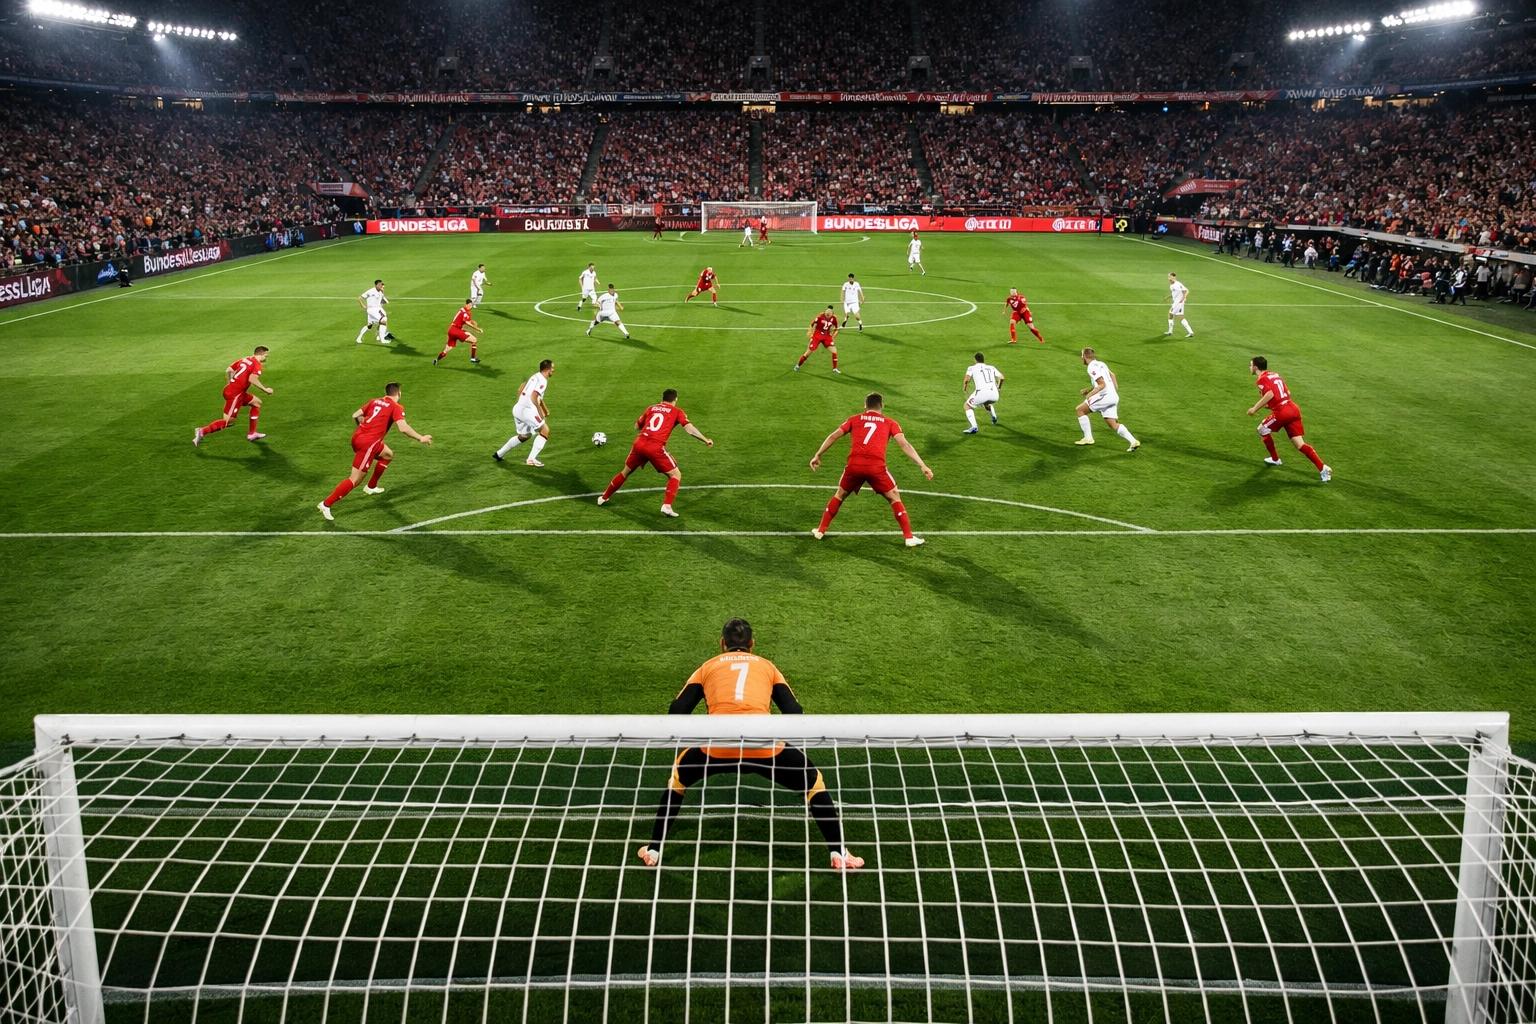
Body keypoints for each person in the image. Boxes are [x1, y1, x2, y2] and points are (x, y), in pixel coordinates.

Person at [635, 618, 864, 872]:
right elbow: (794, 712)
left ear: (722, 644)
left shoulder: (707, 667)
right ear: (752, 644)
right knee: (813, 783)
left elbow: (677, 711)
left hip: (716, 746)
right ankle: (839, 853)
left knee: (679, 778)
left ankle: (653, 849)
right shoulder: (767, 667)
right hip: (764, 746)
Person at [809, 392, 933, 548]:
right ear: (881, 406)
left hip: (854, 465)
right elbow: (904, 445)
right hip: (876, 467)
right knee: (894, 497)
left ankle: (820, 530)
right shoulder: (890, 422)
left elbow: (834, 436)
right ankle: (908, 537)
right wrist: (923, 465)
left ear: (865, 405)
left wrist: (817, 454)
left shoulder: (854, 419)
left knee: (840, 495)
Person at [317, 382, 432, 520]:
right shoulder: (396, 407)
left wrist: (363, 428)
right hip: (368, 444)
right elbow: (403, 428)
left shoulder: (375, 401)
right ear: (399, 393)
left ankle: (371, 486)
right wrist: (421, 438)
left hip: (357, 437)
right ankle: (326, 504)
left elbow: (356, 415)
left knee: (387, 455)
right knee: (355, 479)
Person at [598, 388, 713, 517]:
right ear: (675, 399)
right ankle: (667, 506)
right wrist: (705, 439)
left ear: (662, 398)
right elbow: (689, 429)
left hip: (639, 443)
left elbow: (636, 426)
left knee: (625, 472)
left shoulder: (651, 408)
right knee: (675, 475)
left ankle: (604, 497)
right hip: (655, 447)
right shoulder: (677, 411)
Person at [1247, 356, 1330, 482]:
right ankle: (1323, 468)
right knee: (1300, 444)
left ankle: (1275, 459)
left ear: (1256, 367)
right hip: (1293, 408)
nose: (1250, 367)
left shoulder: (1261, 380)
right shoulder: (1274, 375)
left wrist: (1255, 408)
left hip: (1283, 412)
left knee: (1262, 429)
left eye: (1250, 365)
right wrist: (1270, 405)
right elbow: (1287, 392)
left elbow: (1270, 394)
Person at [194, 346, 272, 446]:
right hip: (235, 395)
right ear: (261, 353)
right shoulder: (257, 365)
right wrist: (265, 390)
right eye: (266, 354)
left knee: (257, 403)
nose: (267, 357)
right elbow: (252, 379)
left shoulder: (245, 359)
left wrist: (229, 381)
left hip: (234, 391)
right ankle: (201, 431)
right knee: (229, 422)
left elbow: (229, 369)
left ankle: (252, 434)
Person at [1075, 348, 1140, 452]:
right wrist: (1089, 390)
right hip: (1113, 396)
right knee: (1112, 424)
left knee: (1080, 410)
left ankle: (1088, 438)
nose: (1081, 358)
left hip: (1104, 396)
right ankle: (1133, 441)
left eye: (1081, 356)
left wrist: (1090, 395)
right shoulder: (1101, 364)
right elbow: (1112, 376)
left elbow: (1102, 384)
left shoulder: (1091, 367)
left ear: (1084, 356)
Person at [494, 359, 554, 467]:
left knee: (525, 435)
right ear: (548, 369)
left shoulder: (534, 376)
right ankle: (531, 459)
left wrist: (544, 409)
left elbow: (521, 389)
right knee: (545, 430)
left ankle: (499, 454)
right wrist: (540, 413)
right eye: (552, 368)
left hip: (518, 409)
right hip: (527, 411)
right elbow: (534, 396)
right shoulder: (543, 381)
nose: (553, 370)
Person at [961, 353, 1004, 434]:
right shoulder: (991, 367)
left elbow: (967, 379)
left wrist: (965, 387)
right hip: (995, 395)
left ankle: (974, 427)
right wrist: (998, 387)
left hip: (982, 393)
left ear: (975, 360)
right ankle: (993, 413)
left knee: (967, 406)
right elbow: (1002, 378)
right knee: (985, 402)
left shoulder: (972, 368)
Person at [795, 305, 841, 373]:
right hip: (817, 335)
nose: (827, 314)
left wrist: (832, 337)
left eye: (829, 313)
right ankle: (798, 365)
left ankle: (834, 368)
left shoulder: (834, 318)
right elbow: (812, 324)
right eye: (826, 312)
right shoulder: (820, 317)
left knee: (834, 351)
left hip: (826, 336)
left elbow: (837, 329)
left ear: (832, 313)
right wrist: (809, 331)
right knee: (808, 352)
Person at [354, 279, 393, 344]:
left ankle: (360, 338)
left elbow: (382, 301)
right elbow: (360, 298)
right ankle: (381, 338)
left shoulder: (381, 292)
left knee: (371, 325)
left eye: (381, 285)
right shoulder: (371, 291)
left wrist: (384, 300)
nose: (381, 286)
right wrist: (363, 306)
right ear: (376, 285)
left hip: (378, 309)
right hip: (373, 309)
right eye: (379, 285)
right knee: (383, 319)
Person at [1165, 273, 1193, 337]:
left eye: (1170, 276)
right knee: (1180, 316)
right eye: (1168, 276)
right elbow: (1174, 294)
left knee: (1170, 314)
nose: (1168, 278)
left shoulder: (1177, 284)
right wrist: (1168, 297)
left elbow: (1187, 291)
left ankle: (1170, 331)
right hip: (1178, 302)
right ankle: (1190, 332)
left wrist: (1183, 298)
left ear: (1173, 277)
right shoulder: (1172, 285)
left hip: (1178, 303)